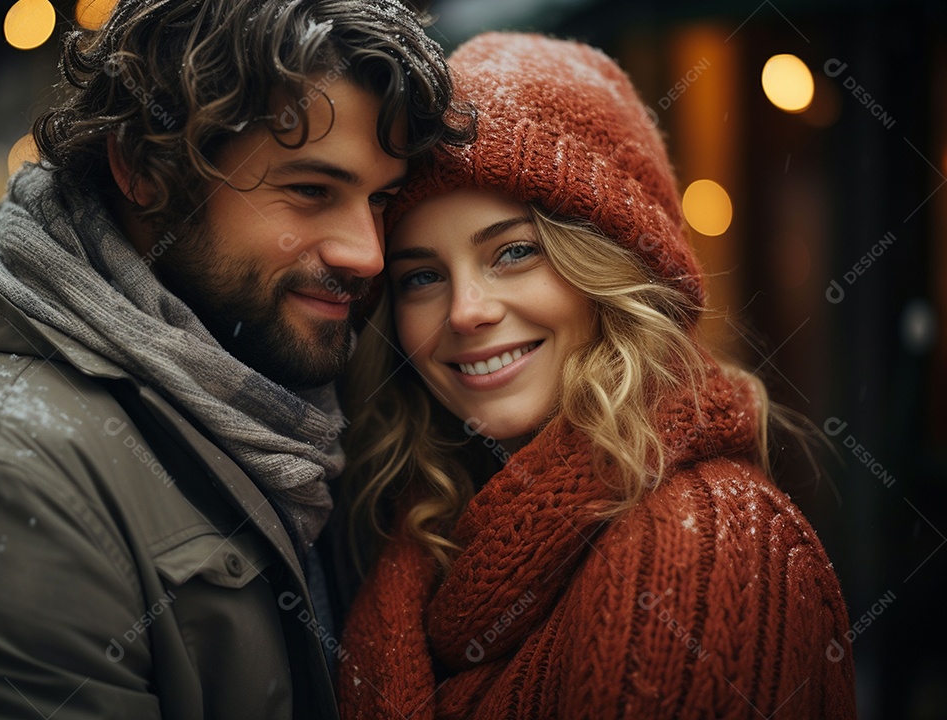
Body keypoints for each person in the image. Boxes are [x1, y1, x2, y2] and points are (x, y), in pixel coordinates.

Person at [0, 1, 471, 717]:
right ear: (143, 169)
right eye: (310, 191)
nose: (366, 253)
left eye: (380, 200)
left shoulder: (312, 396)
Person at [336, 32, 858, 719]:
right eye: (423, 276)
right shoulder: (420, 532)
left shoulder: (704, 550)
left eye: (514, 252)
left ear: (611, 271)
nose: (466, 311)